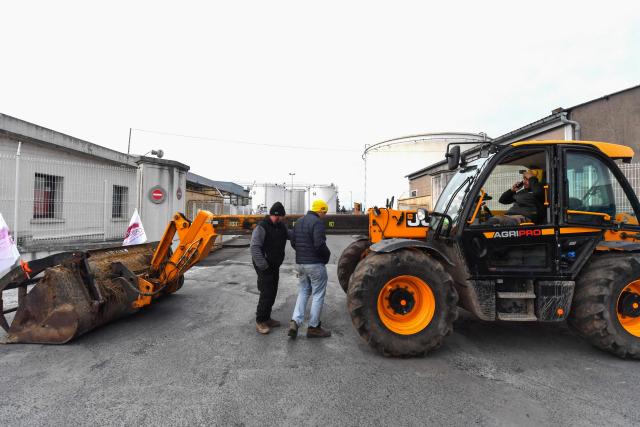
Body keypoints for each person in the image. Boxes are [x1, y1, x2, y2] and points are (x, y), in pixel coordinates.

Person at [288, 199, 332, 339]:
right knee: (318, 294)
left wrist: (302, 254)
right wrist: (327, 256)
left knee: (304, 291)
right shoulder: (317, 222)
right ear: (320, 210)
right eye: (324, 212)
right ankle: (313, 327)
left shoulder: (299, 221)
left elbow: (293, 242)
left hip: (300, 264)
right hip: (315, 264)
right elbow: (319, 244)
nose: (324, 215)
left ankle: (295, 321)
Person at [250, 201, 289, 334]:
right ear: (272, 214)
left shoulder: (281, 227)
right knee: (266, 293)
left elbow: (291, 235)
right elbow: (254, 247)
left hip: (274, 265)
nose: (278, 219)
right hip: (264, 266)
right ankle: (260, 321)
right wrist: (263, 265)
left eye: (280, 217)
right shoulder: (262, 227)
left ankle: (267, 318)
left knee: (273, 292)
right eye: (277, 216)